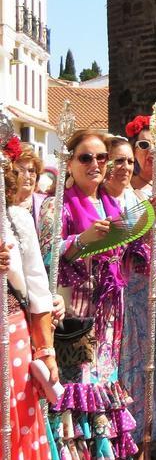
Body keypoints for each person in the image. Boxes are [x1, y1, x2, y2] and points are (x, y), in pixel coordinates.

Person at [39, 130, 156, 459]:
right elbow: (45, 258)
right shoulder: (57, 206)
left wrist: (151, 217)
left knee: (104, 385)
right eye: (85, 157)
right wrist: (82, 240)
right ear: (69, 163)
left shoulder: (111, 203)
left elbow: (139, 254)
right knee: (77, 390)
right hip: (75, 318)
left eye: (101, 158)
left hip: (111, 316)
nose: (95, 164)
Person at [110, 133, 156, 453]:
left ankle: (152, 444)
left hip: (147, 300)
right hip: (119, 303)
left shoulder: (139, 199)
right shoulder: (103, 200)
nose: (123, 166)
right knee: (126, 375)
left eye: (126, 160)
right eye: (118, 160)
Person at [3, 138, 59, 460]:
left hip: (12, 335)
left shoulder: (17, 219)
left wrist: (47, 352)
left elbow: (38, 292)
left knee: (16, 422)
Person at [11, 142, 46, 222]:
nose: (27, 176)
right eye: (21, 170)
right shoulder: (3, 204)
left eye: (31, 171)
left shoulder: (46, 204)